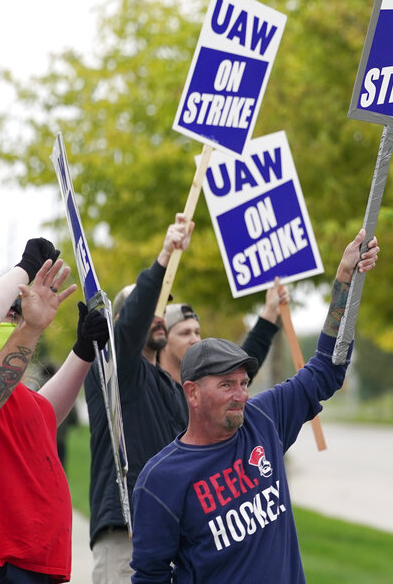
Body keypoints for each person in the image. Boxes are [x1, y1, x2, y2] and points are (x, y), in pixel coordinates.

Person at [130, 229, 379, 583]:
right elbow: (149, 576)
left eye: (244, 383)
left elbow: (327, 369)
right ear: (193, 393)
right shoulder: (160, 480)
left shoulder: (263, 419)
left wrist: (343, 282)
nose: (241, 395)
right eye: (226, 385)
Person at [87, 214, 292, 583]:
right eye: (151, 305)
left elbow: (229, 380)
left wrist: (266, 318)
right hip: (125, 537)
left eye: (163, 306)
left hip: (168, 536)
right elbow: (130, 327)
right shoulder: (114, 374)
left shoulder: (170, 387)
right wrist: (165, 257)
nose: (159, 314)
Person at [0, 241, 109, 582]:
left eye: (16, 312)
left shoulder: (11, 387)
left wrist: (82, 352)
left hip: (31, 562)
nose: (14, 316)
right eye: (7, 310)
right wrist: (25, 268)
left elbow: (43, 416)